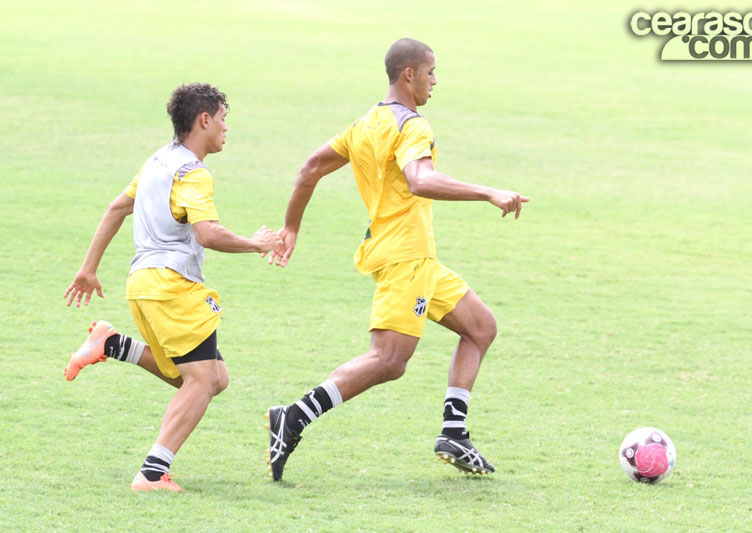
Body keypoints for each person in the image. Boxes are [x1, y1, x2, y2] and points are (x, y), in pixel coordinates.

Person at [264, 38, 529, 481]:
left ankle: (454, 433)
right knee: (389, 359)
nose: (435, 81)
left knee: (480, 327)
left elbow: (310, 168)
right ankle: (293, 417)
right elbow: (420, 180)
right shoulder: (413, 127)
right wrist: (487, 191)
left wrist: (291, 227)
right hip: (405, 257)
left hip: (416, 258)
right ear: (409, 74)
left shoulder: (366, 123)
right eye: (431, 72)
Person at [64, 83, 282, 492]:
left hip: (142, 284)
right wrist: (257, 244)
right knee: (201, 382)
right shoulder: (193, 173)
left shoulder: (156, 162)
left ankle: (110, 344)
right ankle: (151, 473)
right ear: (204, 120)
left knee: (214, 377)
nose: (225, 128)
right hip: (171, 287)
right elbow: (208, 234)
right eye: (222, 119)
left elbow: (115, 207)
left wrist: (88, 269)